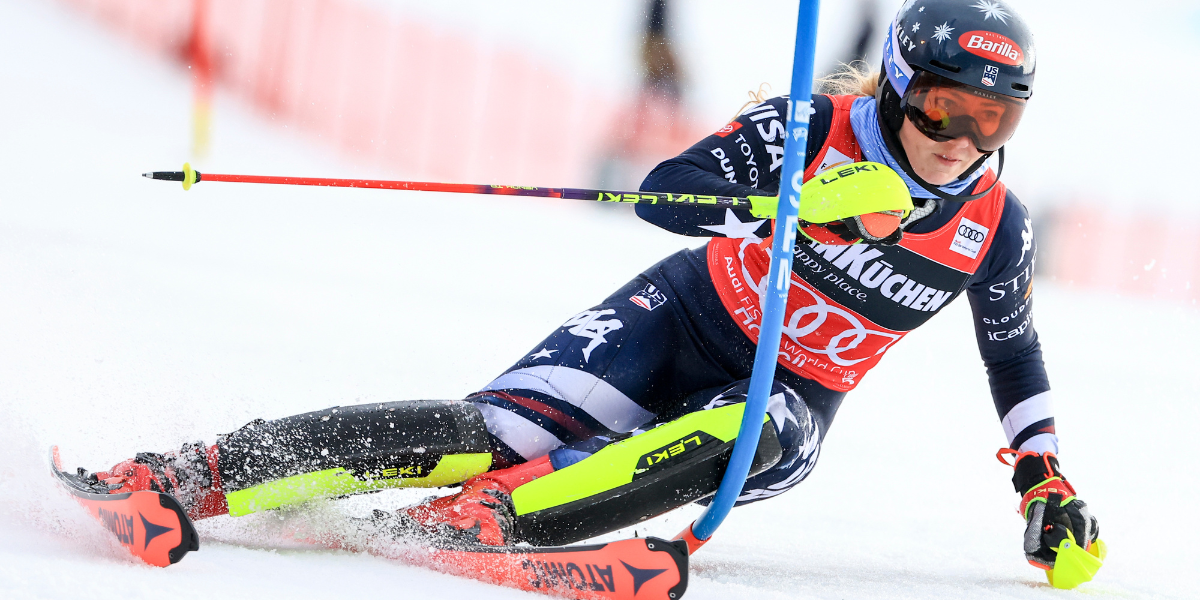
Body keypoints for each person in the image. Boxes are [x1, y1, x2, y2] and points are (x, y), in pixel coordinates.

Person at [77, 0, 1097, 574]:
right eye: (946, 107)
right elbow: (665, 196)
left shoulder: (995, 226)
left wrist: (1042, 482)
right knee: (491, 429)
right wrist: (796, 206)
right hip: (679, 318)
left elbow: (1013, 353)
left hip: (785, 392)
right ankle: (189, 474)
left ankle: (489, 519)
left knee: (756, 433)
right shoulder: (811, 130)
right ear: (902, 84)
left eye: (995, 119)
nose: (963, 139)